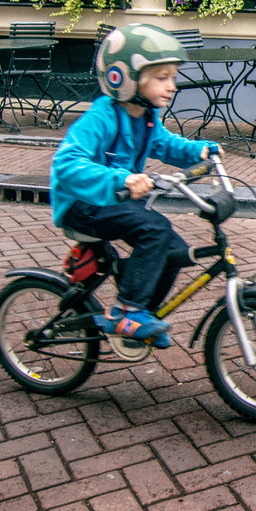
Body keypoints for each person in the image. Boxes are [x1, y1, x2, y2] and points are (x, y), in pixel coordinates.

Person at [50, 23, 222, 347]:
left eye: (172, 77)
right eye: (161, 78)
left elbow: (164, 144)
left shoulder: (144, 115)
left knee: (173, 251)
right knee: (154, 228)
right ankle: (125, 313)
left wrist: (199, 150)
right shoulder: (101, 117)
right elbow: (66, 164)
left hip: (114, 202)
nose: (172, 86)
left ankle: (142, 314)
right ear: (124, 77)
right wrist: (122, 178)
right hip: (82, 204)